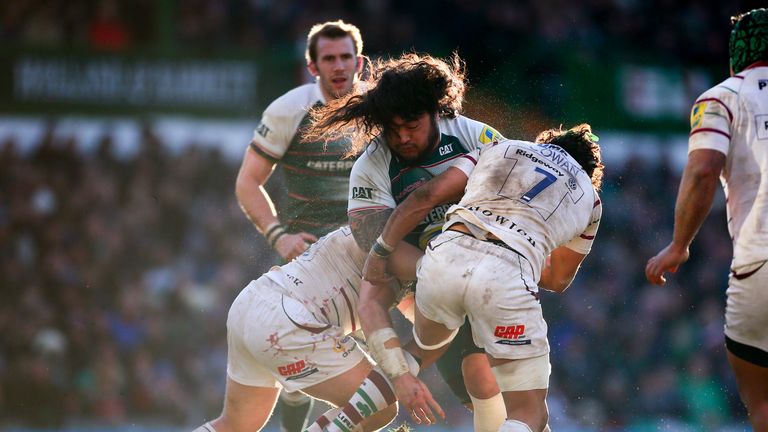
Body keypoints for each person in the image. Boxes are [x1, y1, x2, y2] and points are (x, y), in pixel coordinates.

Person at [303, 52, 507, 432]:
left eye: (411, 125)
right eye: (392, 129)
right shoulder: (373, 164)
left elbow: (513, 208)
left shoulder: (475, 137)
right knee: (475, 379)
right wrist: (439, 272)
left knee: (495, 389)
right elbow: (374, 242)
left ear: (436, 112)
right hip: (425, 286)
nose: (402, 138)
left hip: (485, 273)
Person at [361, 124, 604, 432]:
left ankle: (333, 425)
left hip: (447, 254)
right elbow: (558, 280)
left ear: (544, 142)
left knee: (418, 352)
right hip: (507, 274)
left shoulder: (501, 146)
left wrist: (381, 249)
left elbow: (429, 194)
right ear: (589, 170)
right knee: (530, 412)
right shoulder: (591, 198)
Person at [233, 20, 364, 432]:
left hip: (366, 254)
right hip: (306, 257)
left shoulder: (379, 110)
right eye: (329, 59)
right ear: (313, 66)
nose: (339, 66)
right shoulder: (289, 109)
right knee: (317, 372)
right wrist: (279, 236)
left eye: (346, 57)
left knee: (377, 362)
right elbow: (247, 182)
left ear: (360, 62)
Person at [646, 8, 768, 431]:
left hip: (761, 263)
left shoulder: (722, 97)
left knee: (763, 402)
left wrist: (680, 244)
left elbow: (702, 170)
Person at [192, 226, 424, 432]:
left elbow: (412, 306)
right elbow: (415, 307)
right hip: (285, 321)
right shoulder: (407, 248)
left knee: (235, 426)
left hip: (252, 301)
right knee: (378, 406)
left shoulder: (381, 223)